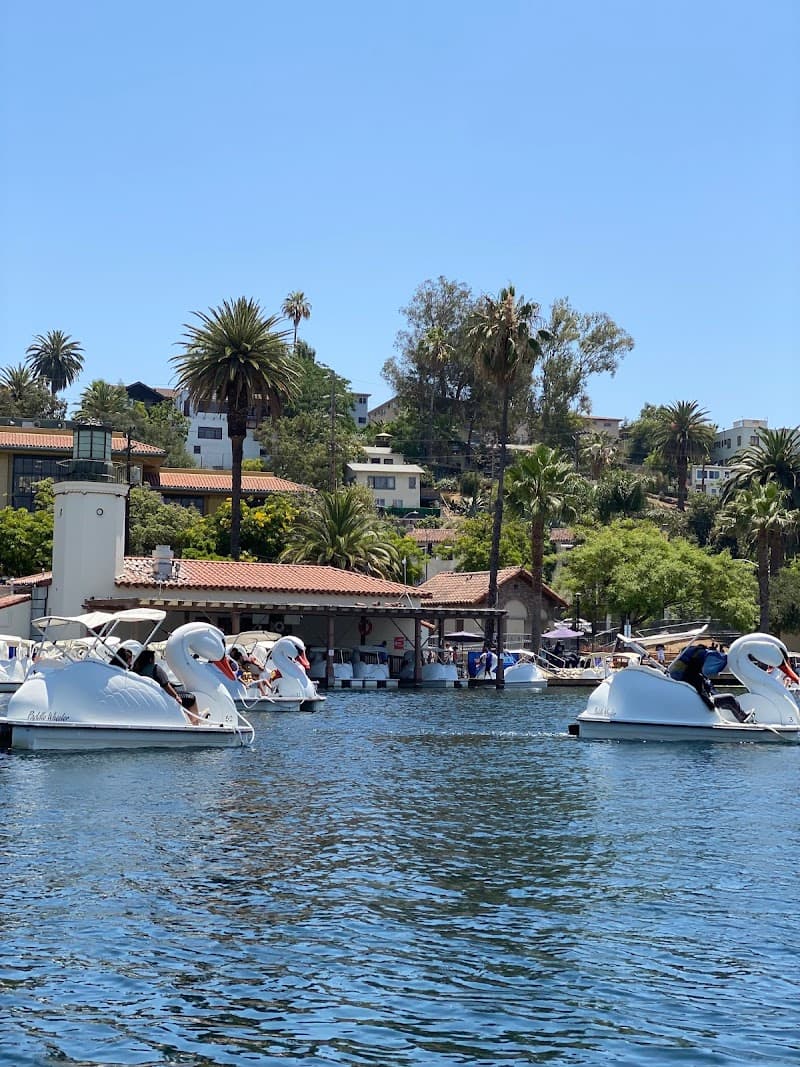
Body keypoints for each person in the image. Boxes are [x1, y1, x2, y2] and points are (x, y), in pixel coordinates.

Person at [132, 648, 204, 724]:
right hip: (163, 698)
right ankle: (196, 722)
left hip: (148, 697)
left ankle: (195, 716)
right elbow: (166, 686)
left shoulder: (136, 671)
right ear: (150, 659)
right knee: (191, 698)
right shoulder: (155, 669)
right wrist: (176, 696)